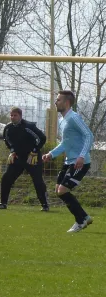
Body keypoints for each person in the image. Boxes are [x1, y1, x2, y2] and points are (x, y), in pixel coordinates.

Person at [42, 90, 94, 233]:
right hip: (69, 161)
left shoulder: (74, 118)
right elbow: (65, 143)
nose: (55, 102)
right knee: (58, 190)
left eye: (58, 100)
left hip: (80, 162)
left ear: (66, 102)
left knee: (63, 190)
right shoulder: (62, 120)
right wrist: (51, 154)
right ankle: (84, 217)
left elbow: (89, 136)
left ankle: (81, 220)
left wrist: (82, 156)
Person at [0, 107, 49, 211]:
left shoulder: (28, 126)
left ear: (20, 116)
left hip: (32, 158)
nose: (13, 117)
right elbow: (7, 140)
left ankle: (45, 205)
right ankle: (3, 203)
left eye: (15, 115)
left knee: (38, 181)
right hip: (18, 157)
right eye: (11, 115)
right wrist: (12, 151)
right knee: (6, 178)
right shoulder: (8, 128)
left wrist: (34, 151)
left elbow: (42, 138)